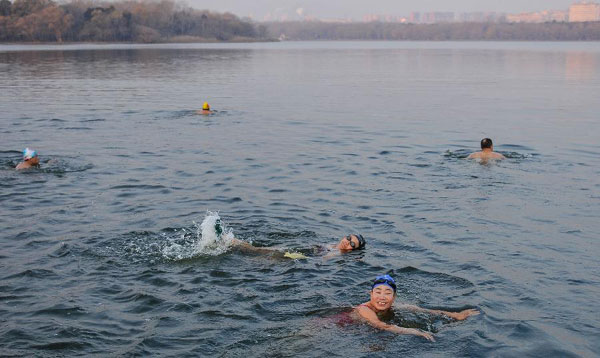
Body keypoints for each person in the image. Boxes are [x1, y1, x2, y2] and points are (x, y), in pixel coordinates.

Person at [354, 274, 480, 341]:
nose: (382, 297)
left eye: (388, 293)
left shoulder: (396, 306)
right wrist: (415, 332)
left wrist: (456, 315)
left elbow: (427, 311)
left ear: (394, 297)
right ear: (371, 294)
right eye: (378, 292)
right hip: (346, 327)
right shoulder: (364, 309)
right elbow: (381, 325)